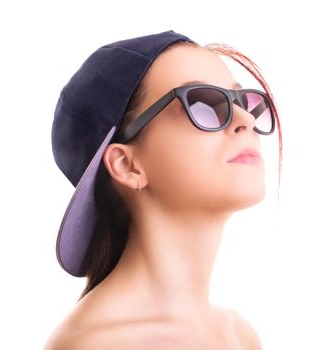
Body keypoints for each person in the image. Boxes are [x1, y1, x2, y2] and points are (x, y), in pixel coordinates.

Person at [43, 30, 282, 349]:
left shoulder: (240, 335)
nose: (244, 120)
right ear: (127, 165)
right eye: (203, 104)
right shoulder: (95, 344)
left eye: (244, 102)